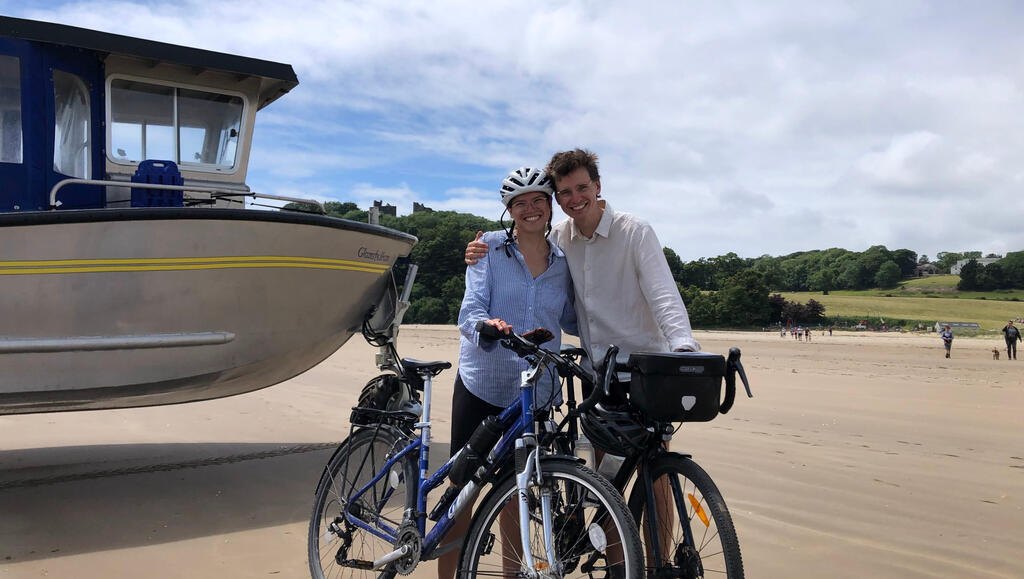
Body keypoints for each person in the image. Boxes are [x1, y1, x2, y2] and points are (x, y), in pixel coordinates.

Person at [439, 167, 577, 579]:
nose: (531, 209)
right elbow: (469, 311)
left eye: (538, 200)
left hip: (535, 394)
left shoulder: (564, 262)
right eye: (520, 203)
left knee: (518, 495)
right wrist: (489, 325)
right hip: (484, 384)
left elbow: (572, 318)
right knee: (463, 493)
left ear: (550, 205)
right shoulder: (487, 248)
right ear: (509, 210)